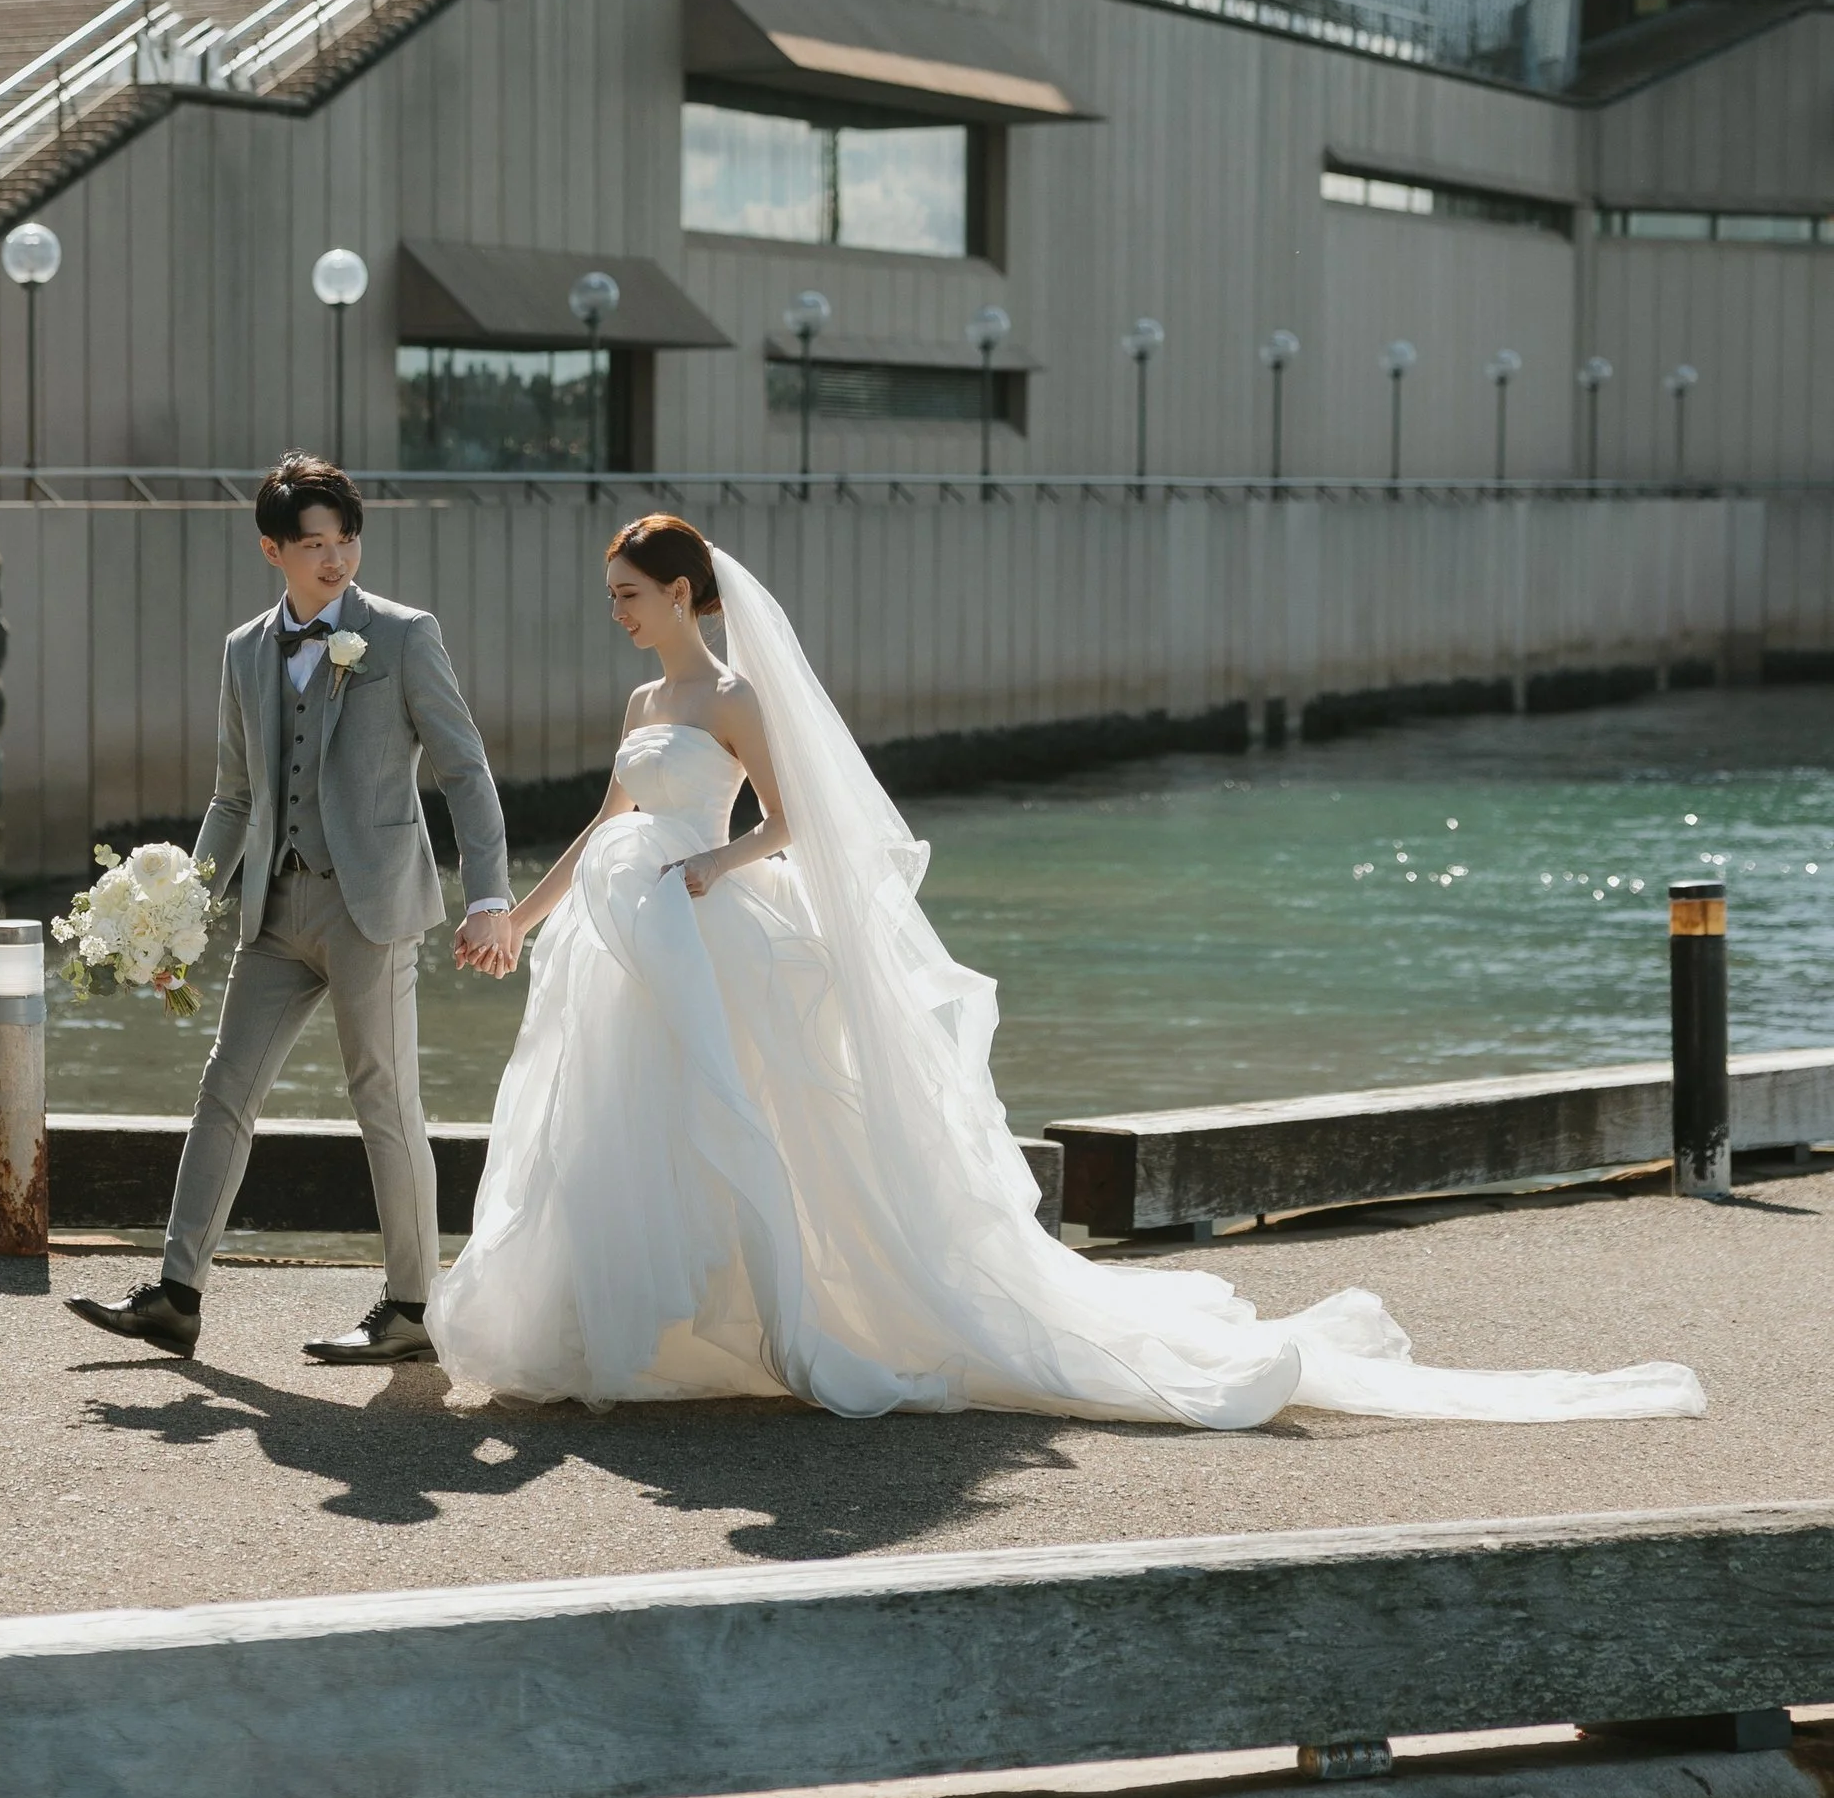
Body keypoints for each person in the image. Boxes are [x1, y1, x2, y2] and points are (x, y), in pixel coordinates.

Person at [424, 513, 1707, 1428]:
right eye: (613, 600)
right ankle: (650, 1332)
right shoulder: (646, 714)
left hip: (712, 931)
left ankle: (782, 1320)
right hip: (629, 944)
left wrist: (713, 869)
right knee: (624, 1135)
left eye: (630, 595)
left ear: (686, 597)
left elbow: (798, 823)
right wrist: (523, 918)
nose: (618, 614)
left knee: (757, 1131)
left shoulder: (737, 697)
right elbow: (602, 824)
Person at [69, 453, 514, 1365]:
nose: (336, 559)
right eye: (314, 544)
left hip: (373, 909)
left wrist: (491, 896)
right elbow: (234, 800)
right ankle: (177, 1294)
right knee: (223, 1093)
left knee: (383, 1100)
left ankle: (412, 1308)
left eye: (346, 539)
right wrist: (177, 915)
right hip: (275, 909)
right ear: (272, 547)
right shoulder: (243, 649)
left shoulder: (403, 635)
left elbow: (465, 771)